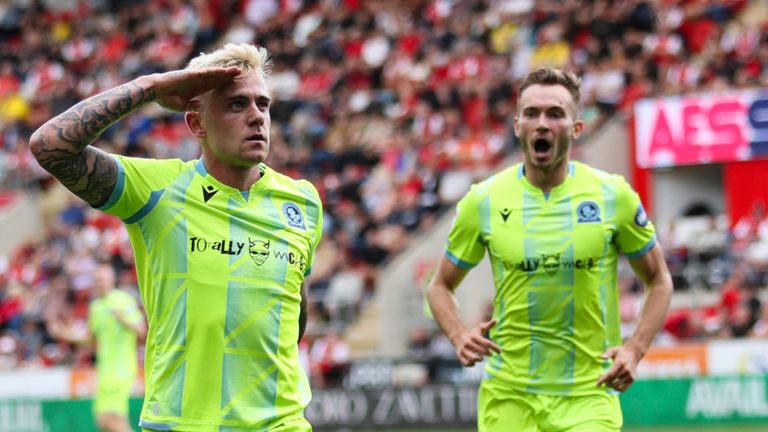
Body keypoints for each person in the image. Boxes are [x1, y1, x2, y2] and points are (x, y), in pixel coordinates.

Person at [31, 43, 323, 431]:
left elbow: (294, 308)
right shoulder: (156, 189)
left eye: (263, 104)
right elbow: (51, 146)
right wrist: (151, 87)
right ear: (196, 123)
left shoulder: (302, 201)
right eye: (237, 105)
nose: (257, 117)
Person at [426, 68, 673, 432]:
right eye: (531, 113)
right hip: (508, 395)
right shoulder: (484, 201)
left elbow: (660, 281)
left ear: (576, 128)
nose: (542, 124)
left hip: (589, 395)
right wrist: (459, 335)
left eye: (555, 113)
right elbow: (438, 286)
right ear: (517, 125)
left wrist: (634, 349)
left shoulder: (612, 196)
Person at [49, 264, 146, 432]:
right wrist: (64, 334)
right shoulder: (96, 307)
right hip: (104, 370)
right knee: (102, 421)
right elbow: (91, 339)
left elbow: (141, 329)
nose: (100, 283)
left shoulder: (123, 300)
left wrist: (123, 319)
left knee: (112, 419)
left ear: (112, 280)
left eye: (103, 279)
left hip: (121, 369)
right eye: (97, 280)